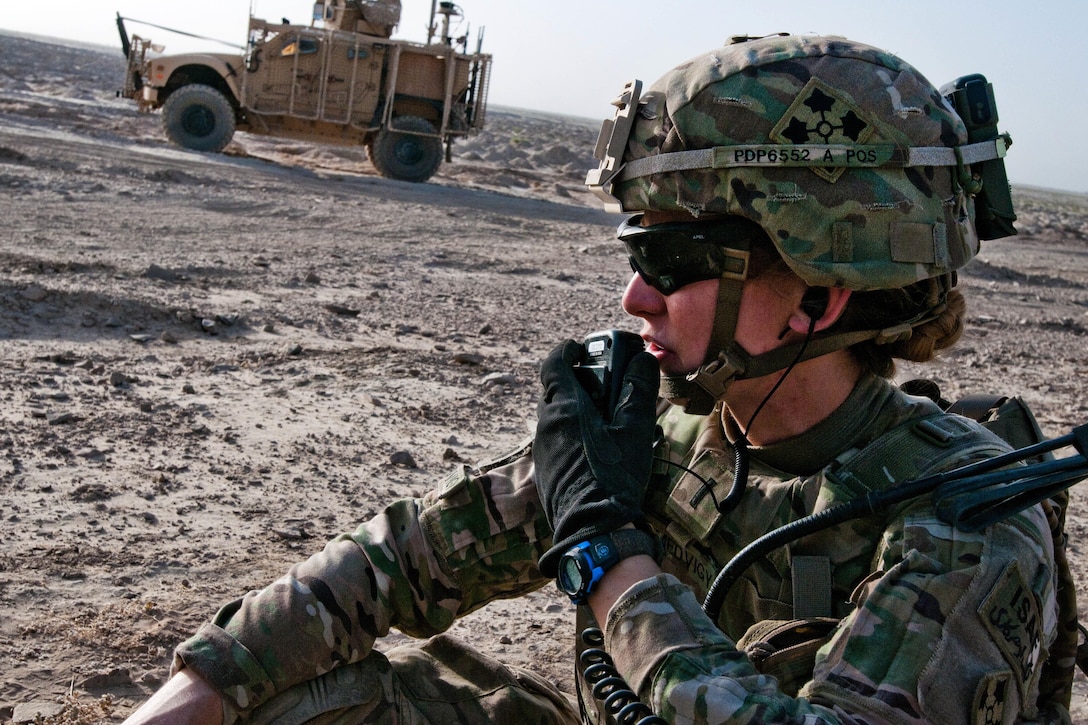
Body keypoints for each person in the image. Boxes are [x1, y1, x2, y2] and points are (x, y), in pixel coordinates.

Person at [124, 33, 1068, 725]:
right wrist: (201, 682)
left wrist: (612, 559)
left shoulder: (964, 518)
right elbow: (404, 559)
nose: (633, 296)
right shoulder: (661, 428)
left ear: (814, 296)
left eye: (671, 260)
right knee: (286, 701)